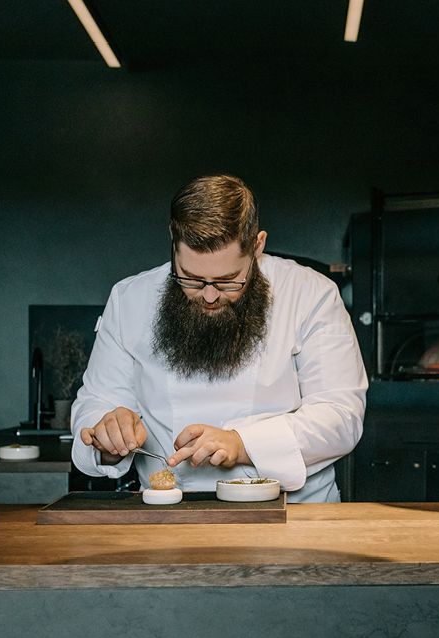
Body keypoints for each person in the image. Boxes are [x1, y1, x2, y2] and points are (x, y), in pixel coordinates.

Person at [70, 174, 368, 502]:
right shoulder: (129, 299)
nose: (209, 296)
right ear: (173, 241)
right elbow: (97, 400)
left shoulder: (310, 294)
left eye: (228, 281)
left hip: (295, 513)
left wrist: (242, 444)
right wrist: (109, 435)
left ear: (257, 246)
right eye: (192, 278)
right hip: (168, 511)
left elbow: (341, 416)